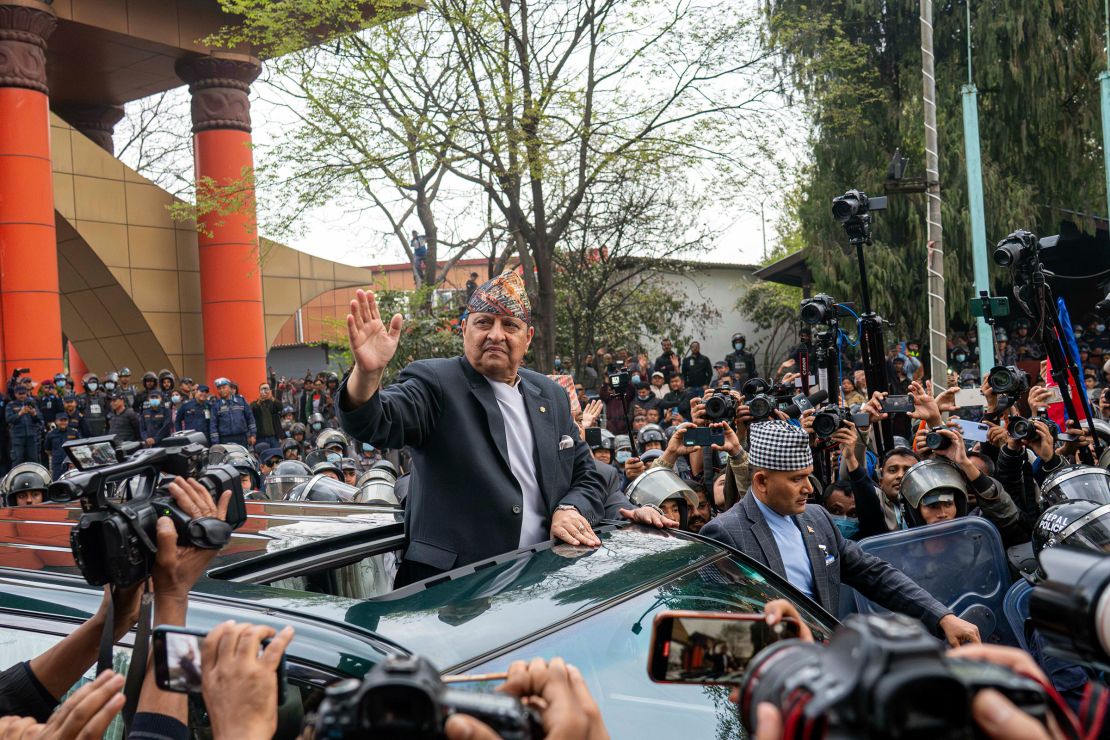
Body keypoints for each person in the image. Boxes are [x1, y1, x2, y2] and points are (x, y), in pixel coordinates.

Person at [338, 272, 606, 587]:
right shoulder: (434, 382)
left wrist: (569, 509)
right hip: (452, 596)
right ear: (464, 328)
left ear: (528, 337)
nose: (496, 335)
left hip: (541, 585)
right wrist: (367, 375)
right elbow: (376, 422)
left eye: (509, 325)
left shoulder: (551, 394)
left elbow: (588, 477)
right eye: (484, 323)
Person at [699, 420, 981, 647]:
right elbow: (716, 626)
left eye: (808, 476)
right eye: (796, 479)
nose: (809, 488)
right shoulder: (725, 534)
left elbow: (875, 574)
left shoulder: (817, 517)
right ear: (761, 482)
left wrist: (942, 616)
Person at [209, 377, 256, 447]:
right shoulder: (216, 406)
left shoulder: (241, 401)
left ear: (230, 388)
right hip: (224, 440)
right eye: (219, 389)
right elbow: (213, 425)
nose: (221, 390)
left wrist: (253, 434)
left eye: (224, 387)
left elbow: (250, 418)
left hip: (242, 438)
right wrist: (215, 443)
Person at [5, 385, 41, 466]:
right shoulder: (11, 405)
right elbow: (9, 419)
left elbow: (39, 420)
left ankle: (34, 478)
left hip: (31, 437)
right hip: (17, 438)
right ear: (15, 394)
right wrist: (20, 413)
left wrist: (34, 414)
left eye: (24, 393)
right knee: (17, 460)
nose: (22, 395)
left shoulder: (32, 403)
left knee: (33, 460)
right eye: (20, 393)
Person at [44, 413, 80, 480]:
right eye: (61, 420)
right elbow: (47, 450)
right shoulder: (51, 434)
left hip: (71, 464)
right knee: (57, 483)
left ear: (68, 421)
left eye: (65, 420)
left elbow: (79, 447)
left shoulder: (74, 432)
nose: (63, 422)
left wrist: (74, 461)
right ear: (56, 421)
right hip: (57, 464)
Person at [251, 381, 283, 450]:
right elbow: (251, 410)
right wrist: (259, 402)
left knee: (277, 455)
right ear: (259, 392)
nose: (264, 391)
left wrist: (271, 397)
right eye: (262, 389)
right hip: (260, 438)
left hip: (274, 437)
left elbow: (280, 407)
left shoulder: (273, 402)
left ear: (270, 390)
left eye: (266, 389)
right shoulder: (255, 404)